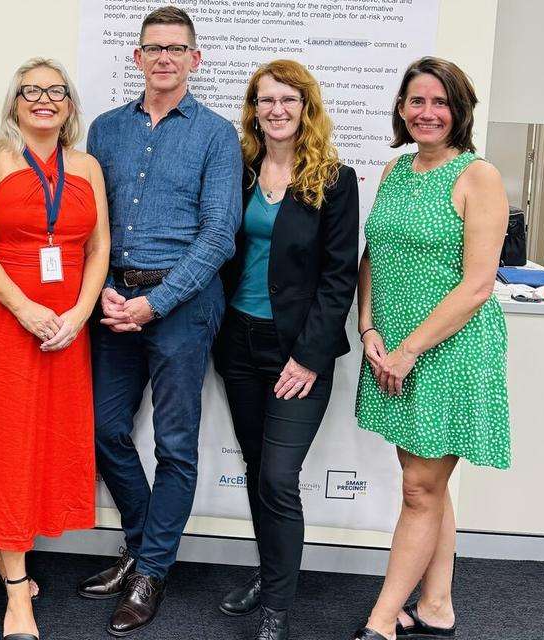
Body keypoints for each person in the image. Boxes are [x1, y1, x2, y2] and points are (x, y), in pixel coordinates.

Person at [77, 6, 242, 636]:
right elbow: (92, 224)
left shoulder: (217, 135)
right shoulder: (105, 129)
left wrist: (156, 301)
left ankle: (150, 570)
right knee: (103, 426)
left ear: (195, 60)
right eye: (154, 48)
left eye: (177, 49)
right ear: (138, 57)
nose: (164, 58)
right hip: (113, 302)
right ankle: (144, 545)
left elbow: (218, 235)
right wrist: (108, 297)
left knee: (176, 444)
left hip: (183, 308)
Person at [0, 57, 110, 640]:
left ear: (69, 105)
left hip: (65, 326)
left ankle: (2, 543)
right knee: (4, 441)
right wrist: (25, 308)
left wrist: (79, 314)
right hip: (0, 321)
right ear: (14, 102)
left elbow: (98, 249)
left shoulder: (86, 165)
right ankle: (17, 593)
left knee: (43, 440)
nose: (44, 99)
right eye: (31, 91)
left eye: (56, 91)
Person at [352, 57, 510, 640]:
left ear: (460, 110)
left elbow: (476, 285)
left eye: (440, 102)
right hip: (392, 346)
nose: (428, 113)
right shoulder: (395, 170)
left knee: (420, 488)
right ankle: (437, 604)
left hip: (450, 349)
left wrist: (409, 349)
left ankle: (381, 619)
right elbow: (375, 258)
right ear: (401, 108)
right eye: (417, 101)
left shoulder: (478, 176)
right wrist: (371, 331)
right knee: (424, 480)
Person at [214, 60, 359, 640]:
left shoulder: (334, 178)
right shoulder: (240, 169)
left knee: (277, 475)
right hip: (238, 341)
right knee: (256, 470)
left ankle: (277, 605)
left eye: (287, 100)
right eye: (265, 100)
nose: (276, 110)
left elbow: (339, 277)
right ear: (254, 109)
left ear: (306, 108)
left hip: (297, 350)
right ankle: (269, 573)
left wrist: (309, 356)